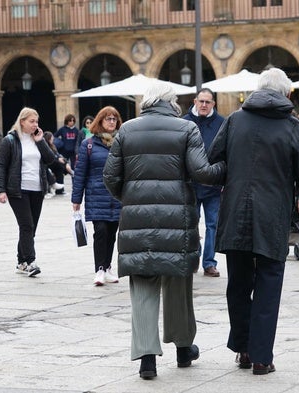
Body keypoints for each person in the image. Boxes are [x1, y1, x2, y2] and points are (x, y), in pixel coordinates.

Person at [103, 80, 225, 380]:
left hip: (137, 219)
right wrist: (225, 169)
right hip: (177, 219)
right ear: (171, 103)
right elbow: (201, 172)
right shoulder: (186, 129)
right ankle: (183, 349)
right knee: (178, 284)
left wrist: (130, 199)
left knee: (143, 286)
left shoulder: (127, 129)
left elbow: (110, 176)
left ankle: (147, 359)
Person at [207, 67, 299, 375]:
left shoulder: (234, 120)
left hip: (236, 213)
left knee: (239, 283)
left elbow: (215, 158)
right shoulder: (293, 126)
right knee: (269, 283)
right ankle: (261, 357)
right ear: (286, 94)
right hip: (272, 216)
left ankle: (243, 348)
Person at [0, 107, 55, 277]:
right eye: (31, 121)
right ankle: (30, 261)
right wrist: (1, 190)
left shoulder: (37, 139)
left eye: (36, 121)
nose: (35, 124)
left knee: (31, 228)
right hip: (18, 189)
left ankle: (20, 262)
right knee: (26, 225)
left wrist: (41, 141)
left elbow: (50, 159)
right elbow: (1, 166)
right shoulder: (10, 140)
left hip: (37, 189)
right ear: (22, 122)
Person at [72, 106, 122, 286]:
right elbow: (80, 173)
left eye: (114, 119)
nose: (111, 122)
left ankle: (108, 267)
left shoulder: (121, 142)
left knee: (112, 233)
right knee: (100, 231)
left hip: (116, 196)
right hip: (96, 195)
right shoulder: (89, 144)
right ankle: (99, 269)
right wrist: (76, 199)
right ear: (100, 121)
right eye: (108, 118)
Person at [182, 88, 224, 277]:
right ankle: (194, 258)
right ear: (195, 101)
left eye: (208, 102)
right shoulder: (185, 122)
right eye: (201, 101)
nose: (204, 105)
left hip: (213, 183)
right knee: (191, 223)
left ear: (213, 104)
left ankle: (209, 262)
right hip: (190, 183)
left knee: (213, 224)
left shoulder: (221, 123)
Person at [43, 131, 71, 197]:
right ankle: (70, 172)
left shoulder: (53, 146)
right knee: (59, 166)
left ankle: (60, 190)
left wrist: (65, 162)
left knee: (60, 167)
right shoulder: (44, 146)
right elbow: (49, 157)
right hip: (46, 164)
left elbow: (58, 155)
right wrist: (58, 159)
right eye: (51, 138)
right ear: (48, 139)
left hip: (53, 164)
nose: (53, 139)